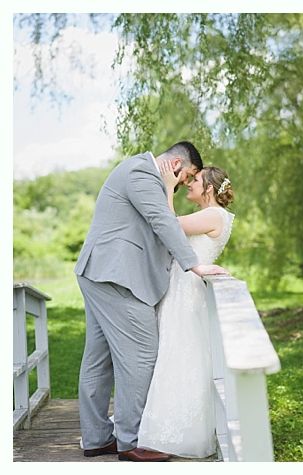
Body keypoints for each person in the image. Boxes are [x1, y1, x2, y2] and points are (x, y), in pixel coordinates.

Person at [75, 142, 227, 462]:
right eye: (187, 177)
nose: (186, 183)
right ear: (175, 165)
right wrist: (194, 265)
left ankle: (96, 437)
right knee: (143, 355)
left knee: (98, 358)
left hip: (103, 272)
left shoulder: (139, 172)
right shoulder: (142, 173)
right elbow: (161, 220)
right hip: (118, 277)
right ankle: (130, 441)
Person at [136, 165, 236, 459]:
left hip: (185, 292)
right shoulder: (216, 215)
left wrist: (168, 187)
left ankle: (174, 430)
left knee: (177, 354)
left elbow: (169, 225)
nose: (189, 183)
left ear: (209, 188)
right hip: (182, 288)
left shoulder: (213, 214)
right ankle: (163, 423)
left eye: (195, 180)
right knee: (177, 353)